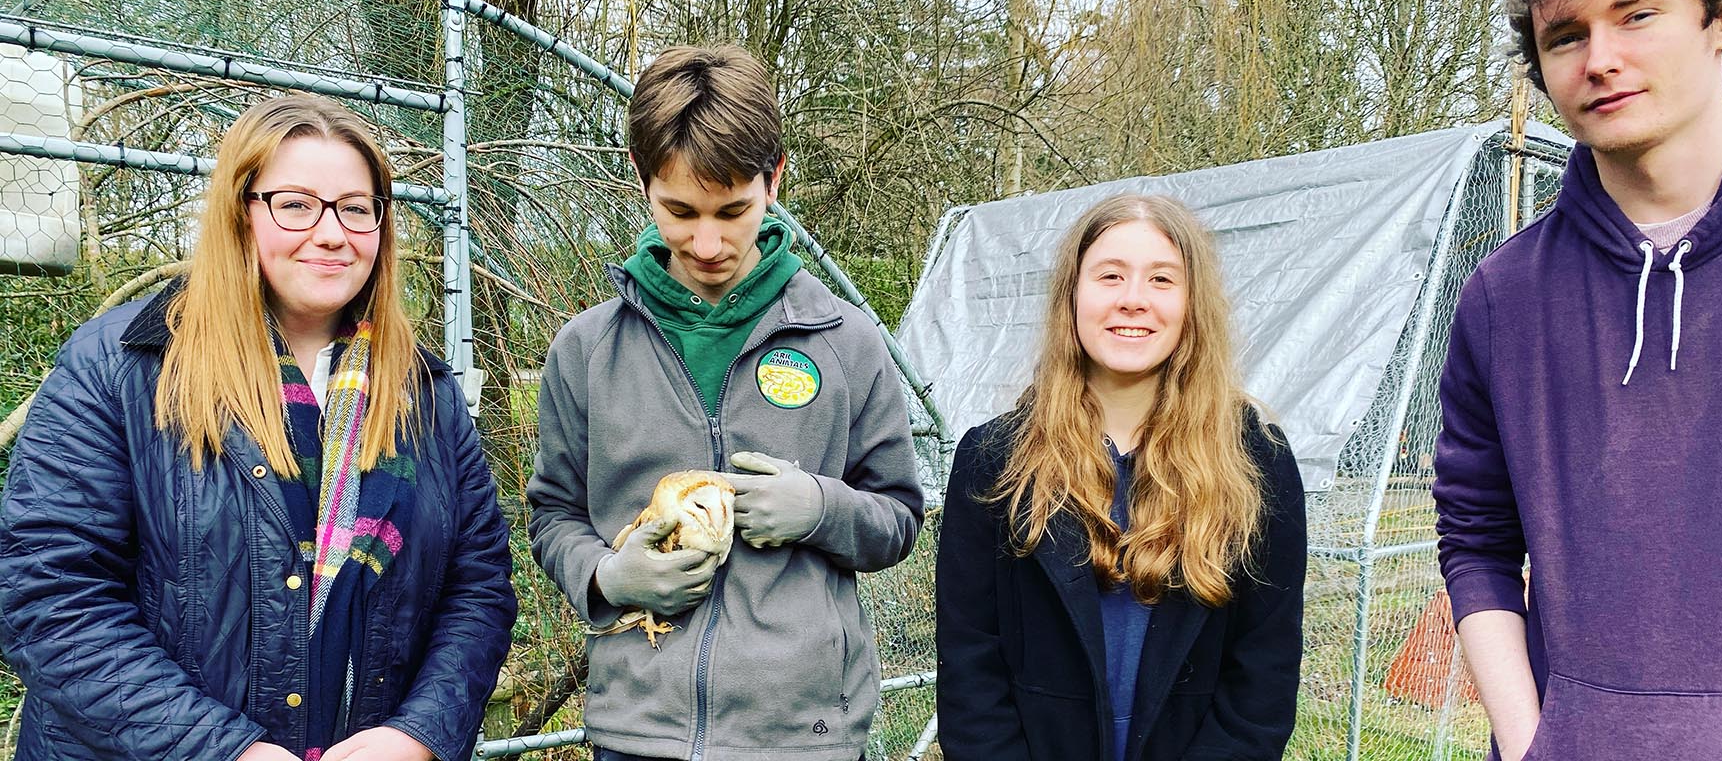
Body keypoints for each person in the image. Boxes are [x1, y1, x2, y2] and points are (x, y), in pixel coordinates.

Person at [0, 96, 518, 761]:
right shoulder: (121, 368)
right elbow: (50, 595)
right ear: (241, 213)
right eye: (296, 204)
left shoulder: (423, 394)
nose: (332, 233)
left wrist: (417, 733)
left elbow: (476, 589)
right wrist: (224, 749)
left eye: (356, 208)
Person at [1431, 0, 1722, 758]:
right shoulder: (1503, 296)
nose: (1599, 59)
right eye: (1565, 36)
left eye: (1636, 16)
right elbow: (1477, 539)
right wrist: (1532, 743)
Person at [525, 44, 924, 761]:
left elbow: (897, 516)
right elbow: (553, 513)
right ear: (642, 179)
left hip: (803, 738)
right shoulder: (585, 351)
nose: (707, 242)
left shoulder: (848, 341)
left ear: (775, 180)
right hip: (639, 735)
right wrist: (606, 575)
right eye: (679, 210)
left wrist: (821, 509)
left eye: (732, 210)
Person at [935, 193, 1307, 761]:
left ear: (1192, 304)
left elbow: (1263, 675)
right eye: (1110, 276)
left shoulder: (1257, 461)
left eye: (1161, 279)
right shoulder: (994, 459)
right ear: (1073, 296)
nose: (1133, 300)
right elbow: (969, 665)